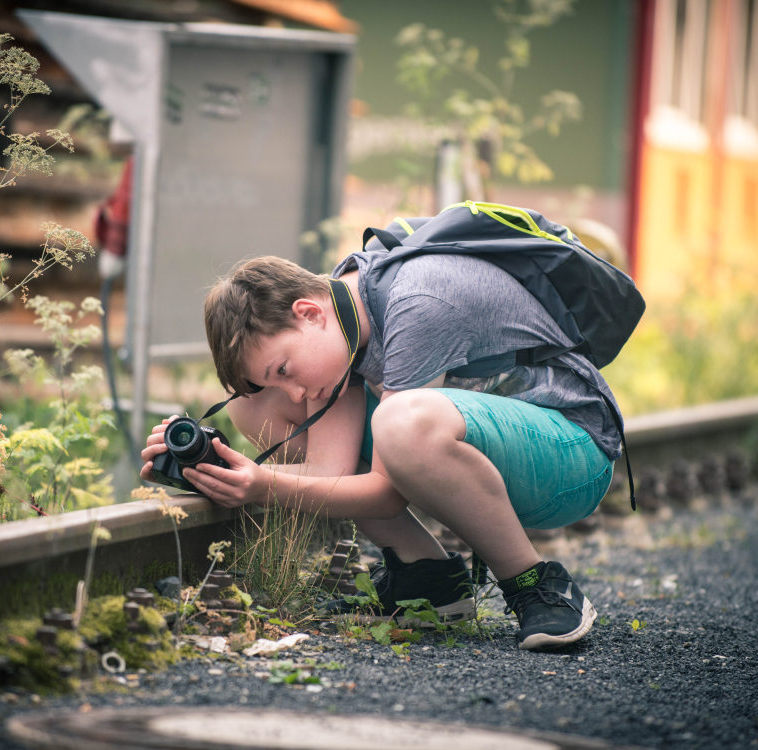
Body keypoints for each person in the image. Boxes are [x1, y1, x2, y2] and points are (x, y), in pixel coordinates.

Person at [140, 245, 623, 650]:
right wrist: (218, 469)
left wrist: (263, 486)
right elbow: (332, 470)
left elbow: (383, 492)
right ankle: (427, 579)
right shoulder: (343, 317)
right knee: (255, 406)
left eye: (284, 369)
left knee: (400, 423)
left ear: (309, 313)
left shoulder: (418, 303)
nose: (294, 393)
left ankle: (537, 584)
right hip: (497, 447)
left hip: (570, 452)